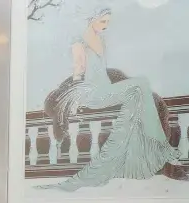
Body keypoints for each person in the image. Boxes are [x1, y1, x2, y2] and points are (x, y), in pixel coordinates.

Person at [42, 7, 182, 191]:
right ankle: (161, 145)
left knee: (138, 92)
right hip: (92, 93)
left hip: (106, 88)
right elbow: (78, 73)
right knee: (141, 83)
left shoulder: (100, 39)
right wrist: (76, 99)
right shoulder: (79, 43)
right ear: (92, 19)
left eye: (108, 22)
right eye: (103, 21)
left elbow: (103, 73)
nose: (106, 25)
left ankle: (145, 150)